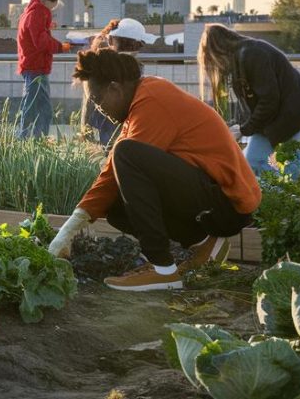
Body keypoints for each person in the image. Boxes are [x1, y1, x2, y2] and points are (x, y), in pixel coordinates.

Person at [47, 49, 260, 291]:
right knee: (115, 207)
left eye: (97, 100)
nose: (98, 109)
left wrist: (70, 229)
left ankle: (163, 270)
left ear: (115, 88)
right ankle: (204, 243)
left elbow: (125, 157)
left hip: (228, 204)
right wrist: (72, 227)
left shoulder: (153, 99)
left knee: (126, 153)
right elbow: (110, 175)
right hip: (213, 202)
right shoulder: (139, 103)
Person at [197, 24, 300, 178]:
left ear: (218, 51)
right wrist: (243, 127)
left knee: (284, 165)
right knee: (255, 163)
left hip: (294, 114)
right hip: (284, 114)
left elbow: (268, 101)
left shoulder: (252, 55)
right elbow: (256, 103)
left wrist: (244, 129)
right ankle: (290, 195)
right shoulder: (246, 55)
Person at [83, 18, 157, 146]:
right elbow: (90, 100)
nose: (129, 49)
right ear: (110, 41)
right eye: (125, 44)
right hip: (112, 121)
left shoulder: (101, 62)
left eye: (132, 45)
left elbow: (88, 101)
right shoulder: (103, 65)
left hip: (116, 122)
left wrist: (85, 130)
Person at [15, 0, 71, 138]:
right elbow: (41, 41)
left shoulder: (31, 12)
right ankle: (31, 140)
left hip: (31, 66)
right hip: (36, 68)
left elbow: (35, 34)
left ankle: (28, 140)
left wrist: (48, 26)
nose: (53, 8)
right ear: (48, 0)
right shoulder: (39, 13)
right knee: (39, 109)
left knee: (33, 107)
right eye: (54, 4)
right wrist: (61, 47)